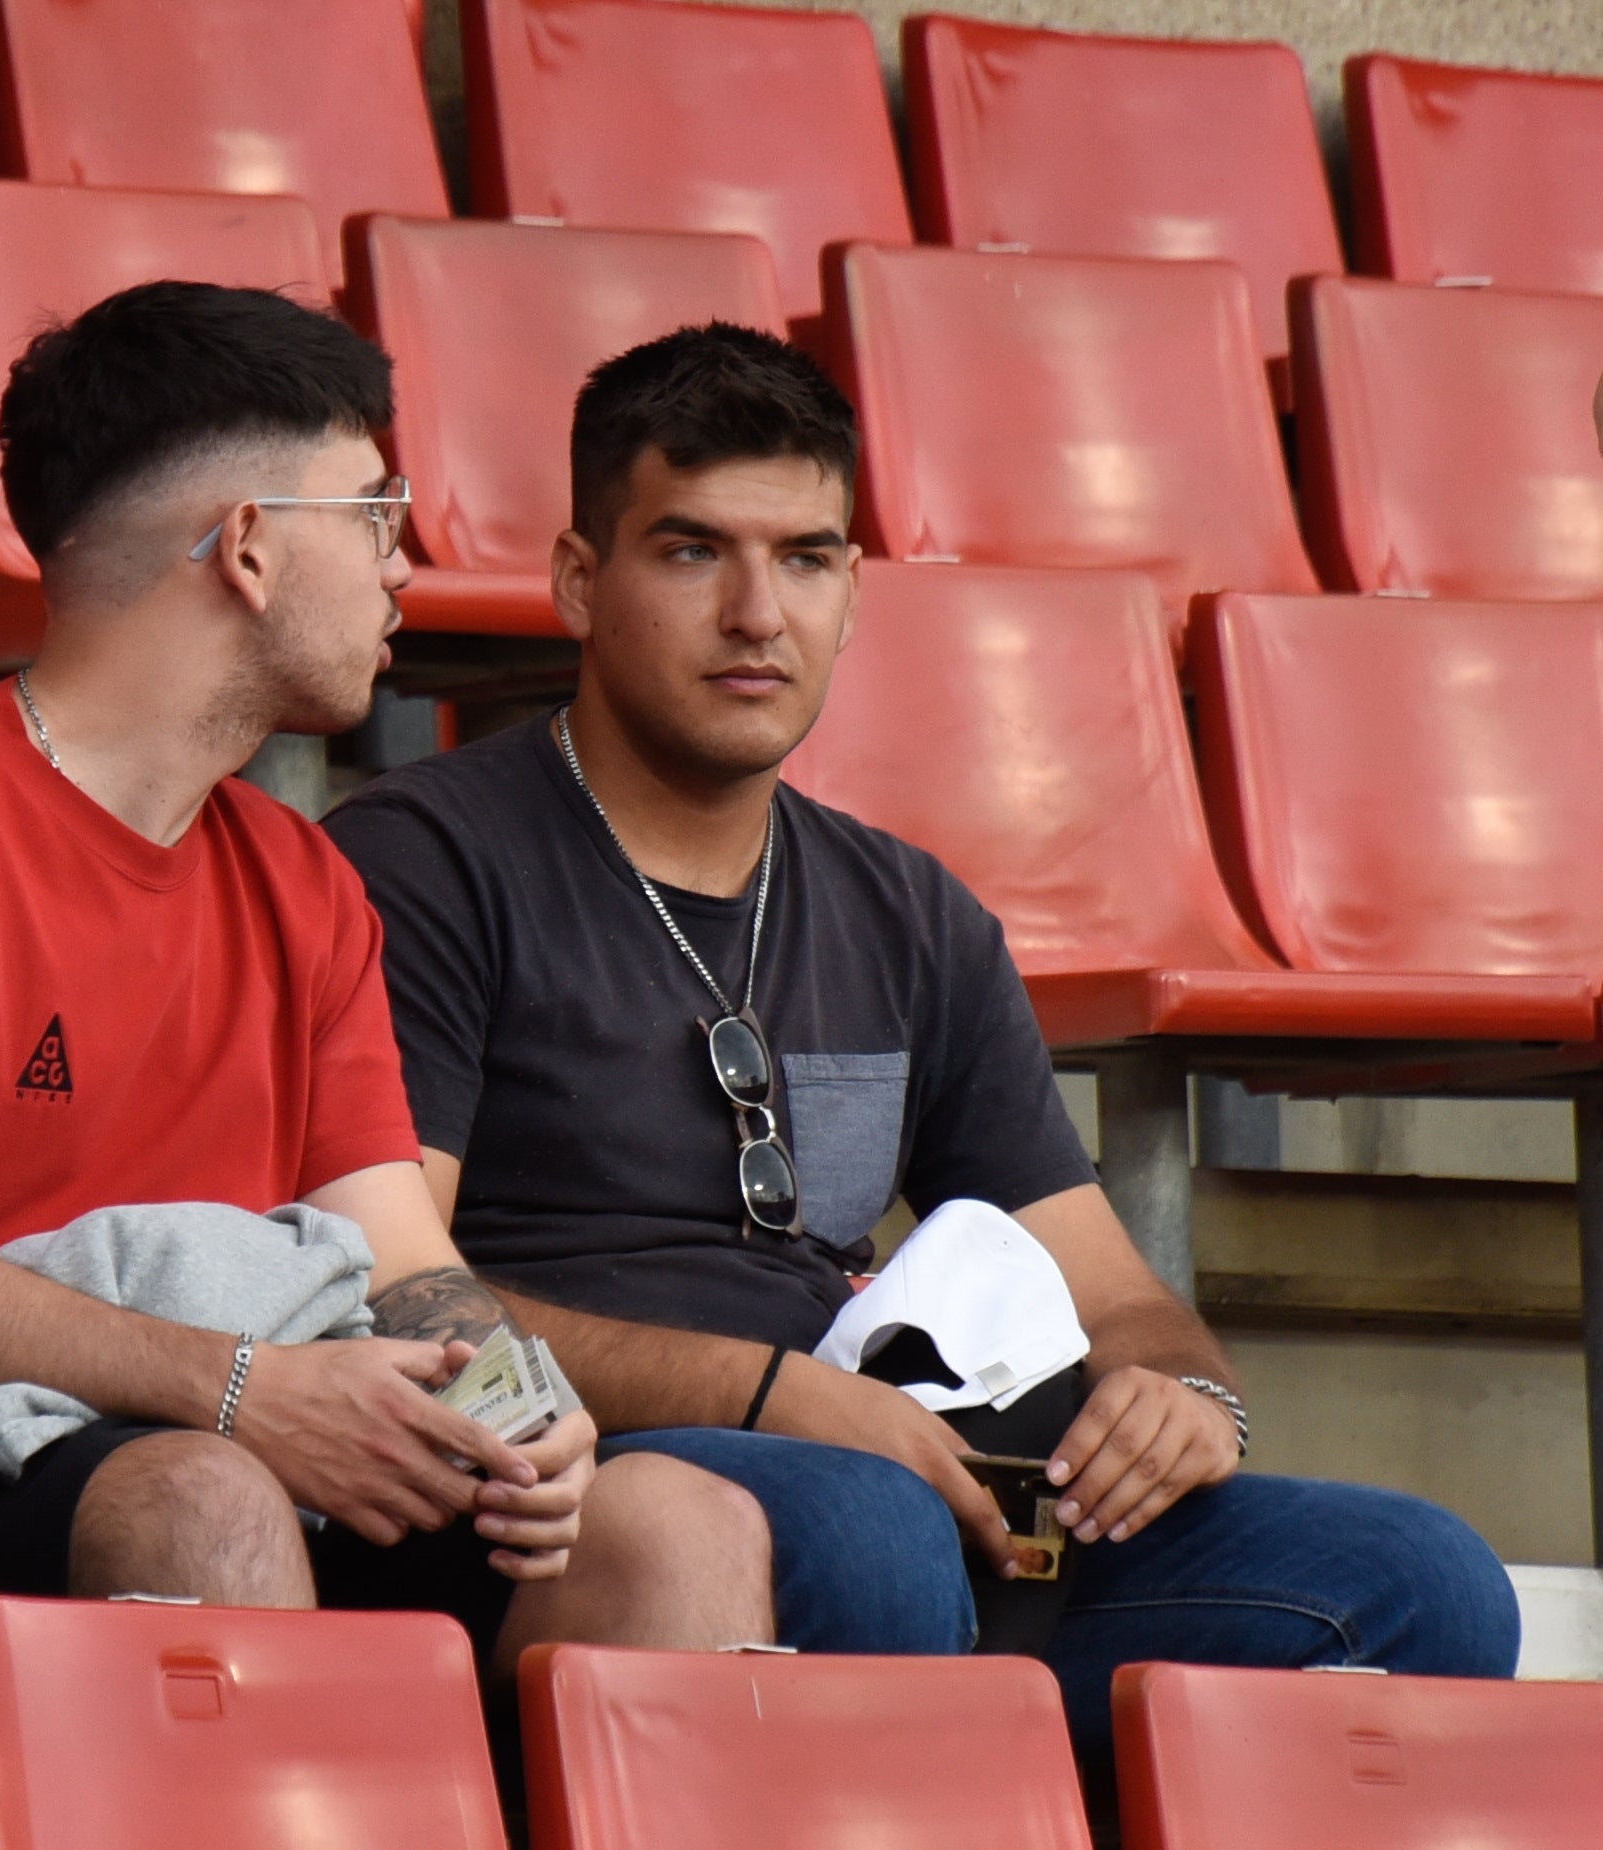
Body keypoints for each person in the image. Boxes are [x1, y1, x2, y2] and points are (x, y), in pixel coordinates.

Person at [323, 322, 1520, 1770]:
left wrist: (1180, 1397)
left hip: (907, 1484)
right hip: (581, 1493)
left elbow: (1113, 1294)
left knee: (1423, 1580)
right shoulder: (426, 860)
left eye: (809, 558)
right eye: (694, 552)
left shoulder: (908, 909)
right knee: (872, 1520)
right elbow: (396, 1295)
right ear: (582, 581)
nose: (759, 613)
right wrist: (776, 1397)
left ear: (854, 590)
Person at [0, 281, 771, 1670]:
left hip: (268, 1426)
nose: (408, 568)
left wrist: (527, 1408)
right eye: (376, 515)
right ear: (250, 547)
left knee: (676, 1521)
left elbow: (404, 1262)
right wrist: (241, 1394)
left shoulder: (303, 872)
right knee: (208, 1497)